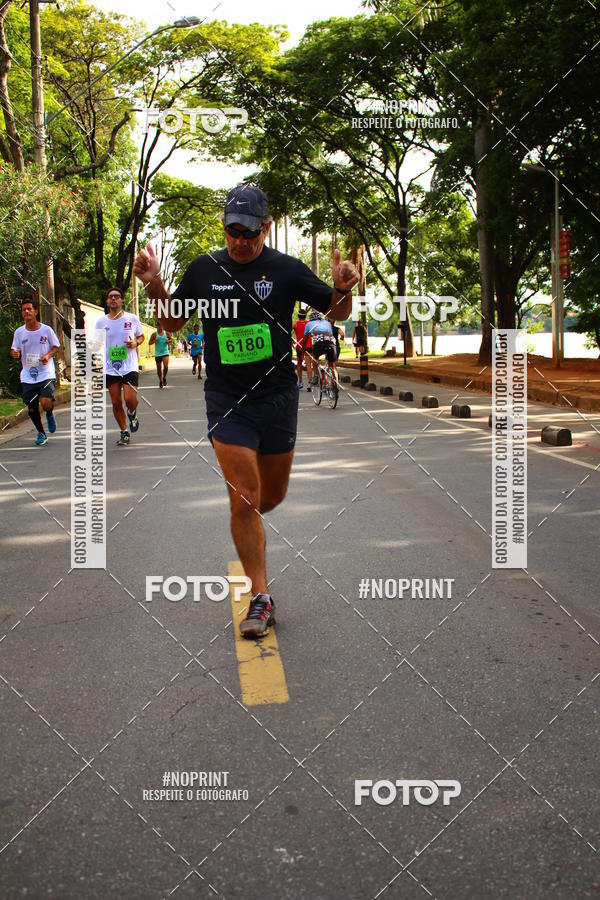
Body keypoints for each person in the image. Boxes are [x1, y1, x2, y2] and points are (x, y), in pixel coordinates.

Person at [133, 184, 358, 637]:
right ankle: (260, 596)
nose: (240, 239)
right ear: (224, 227)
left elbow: (337, 310)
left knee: (269, 498)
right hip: (227, 399)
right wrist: (154, 282)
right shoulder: (204, 269)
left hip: (277, 397)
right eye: (232, 230)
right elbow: (171, 321)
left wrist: (342, 287)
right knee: (245, 496)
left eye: (249, 232)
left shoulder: (286, 269)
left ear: (265, 227)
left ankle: (252, 520)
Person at [95, 287, 144, 446]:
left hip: (129, 365)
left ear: (122, 300)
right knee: (116, 402)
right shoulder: (101, 322)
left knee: (130, 399)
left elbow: (141, 336)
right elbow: (97, 343)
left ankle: (132, 412)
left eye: (117, 296)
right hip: (111, 367)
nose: (114, 299)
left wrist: (135, 343)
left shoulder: (132, 318)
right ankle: (124, 431)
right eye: (111, 297)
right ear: (107, 301)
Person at [10, 296, 60, 446]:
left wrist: (48, 355)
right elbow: (14, 349)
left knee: (45, 403)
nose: (26, 312)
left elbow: (56, 346)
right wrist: (15, 353)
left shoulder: (46, 330)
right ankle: (41, 432)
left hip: (45, 373)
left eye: (29, 309)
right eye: (24, 310)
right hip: (28, 375)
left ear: (35, 311)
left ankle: (50, 414)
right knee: (31, 407)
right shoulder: (19, 332)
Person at [303, 311, 337, 382]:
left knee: (315, 359)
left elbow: (305, 338)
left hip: (319, 344)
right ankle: (335, 383)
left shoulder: (309, 324)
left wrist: (302, 348)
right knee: (332, 366)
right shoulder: (327, 323)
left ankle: (315, 375)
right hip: (331, 344)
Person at [293, 307, 312, 389]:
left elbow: (287, 331)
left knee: (299, 364)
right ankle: (309, 383)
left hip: (299, 347)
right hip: (308, 346)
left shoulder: (295, 324)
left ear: (298, 316)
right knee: (308, 365)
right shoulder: (309, 324)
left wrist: (291, 340)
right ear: (305, 316)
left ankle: (300, 382)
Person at [149, 322, 170, 388]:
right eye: (159, 326)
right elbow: (149, 343)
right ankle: (160, 380)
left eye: (161, 326)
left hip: (165, 352)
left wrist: (168, 341)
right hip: (158, 354)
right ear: (157, 326)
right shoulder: (154, 334)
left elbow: (171, 339)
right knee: (159, 369)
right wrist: (154, 341)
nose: (160, 327)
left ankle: (164, 377)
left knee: (166, 366)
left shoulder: (166, 333)